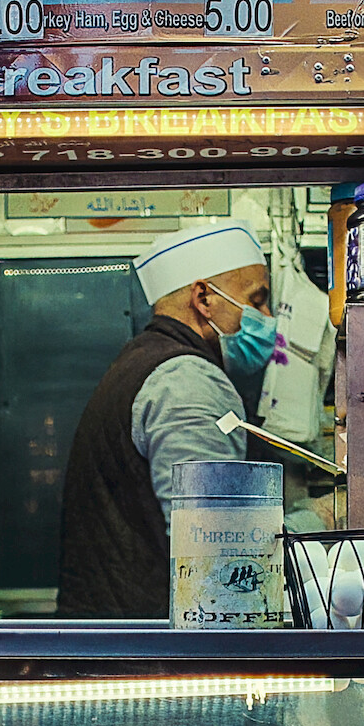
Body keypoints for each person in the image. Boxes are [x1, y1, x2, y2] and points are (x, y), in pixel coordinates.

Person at [57, 224, 277, 618]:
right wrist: (318, 520)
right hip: (152, 643)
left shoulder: (142, 360)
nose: (267, 318)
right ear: (203, 298)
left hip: (115, 635)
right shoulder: (187, 381)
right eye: (256, 301)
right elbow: (215, 552)